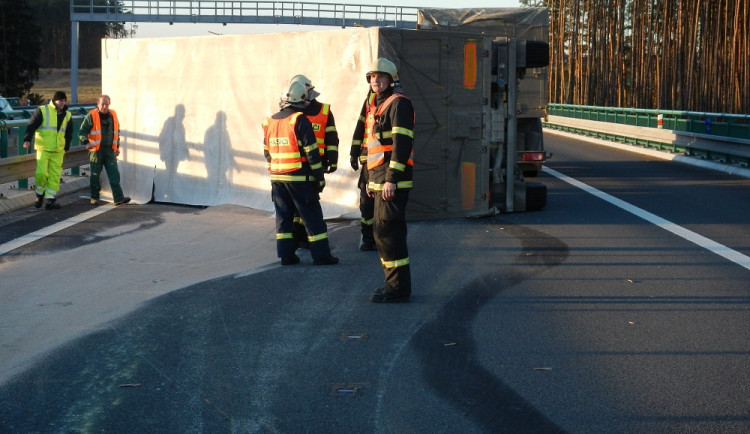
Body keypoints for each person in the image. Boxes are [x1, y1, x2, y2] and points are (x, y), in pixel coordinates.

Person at [263, 81, 339, 266]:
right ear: (302, 101)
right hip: (300, 178)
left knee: (284, 217)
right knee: (312, 217)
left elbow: (267, 152)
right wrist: (319, 178)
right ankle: (321, 256)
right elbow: (312, 152)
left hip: (277, 178)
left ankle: (286, 256)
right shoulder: (299, 120)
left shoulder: (270, 121)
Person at [364, 58, 415, 303]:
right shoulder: (377, 105)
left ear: (391, 79)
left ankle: (397, 289)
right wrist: (371, 180)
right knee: (382, 233)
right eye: (373, 77)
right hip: (380, 179)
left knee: (389, 233)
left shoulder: (398, 104)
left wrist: (391, 179)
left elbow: (401, 144)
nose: (376, 80)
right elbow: (374, 148)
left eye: (381, 77)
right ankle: (394, 285)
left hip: (392, 181)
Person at [288, 74, 340, 249]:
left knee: (307, 201)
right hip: (297, 164)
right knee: (300, 203)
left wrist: (332, 160)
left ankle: (305, 238)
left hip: (316, 164)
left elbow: (332, 138)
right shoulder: (292, 112)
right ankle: (300, 238)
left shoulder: (324, 111)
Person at [22, 91, 73, 210]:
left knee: (55, 175)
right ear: (54, 100)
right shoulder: (42, 110)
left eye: (64, 100)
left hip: (58, 150)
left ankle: (50, 199)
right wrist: (27, 139)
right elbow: (32, 125)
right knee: (41, 174)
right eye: (60, 100)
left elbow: (69, 132)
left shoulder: (68, 115)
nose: (62, 102)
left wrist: (66, 146)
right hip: (43, 148)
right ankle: (39, 194)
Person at [78, 95, 131, 206]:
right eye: (103, 104)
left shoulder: (113, 115)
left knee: (114, 174)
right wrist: (86, 142)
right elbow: (82, 131)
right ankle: (94, 197)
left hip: (109, 150)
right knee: (95, 175)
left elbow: (116, 132)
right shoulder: (91, 115)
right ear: (98, 104)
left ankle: (118, 198)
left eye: (107, 104)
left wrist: (117, 147)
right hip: (96, 151)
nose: (105, 106)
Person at [350, 90, 377, 251]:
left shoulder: (396, 101)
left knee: (384, 202)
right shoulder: (369, 101)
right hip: (369, 160)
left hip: (386, 162)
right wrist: (354, 153)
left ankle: (382, 238)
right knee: (366, 201)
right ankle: (368, 239)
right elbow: (360, 127)